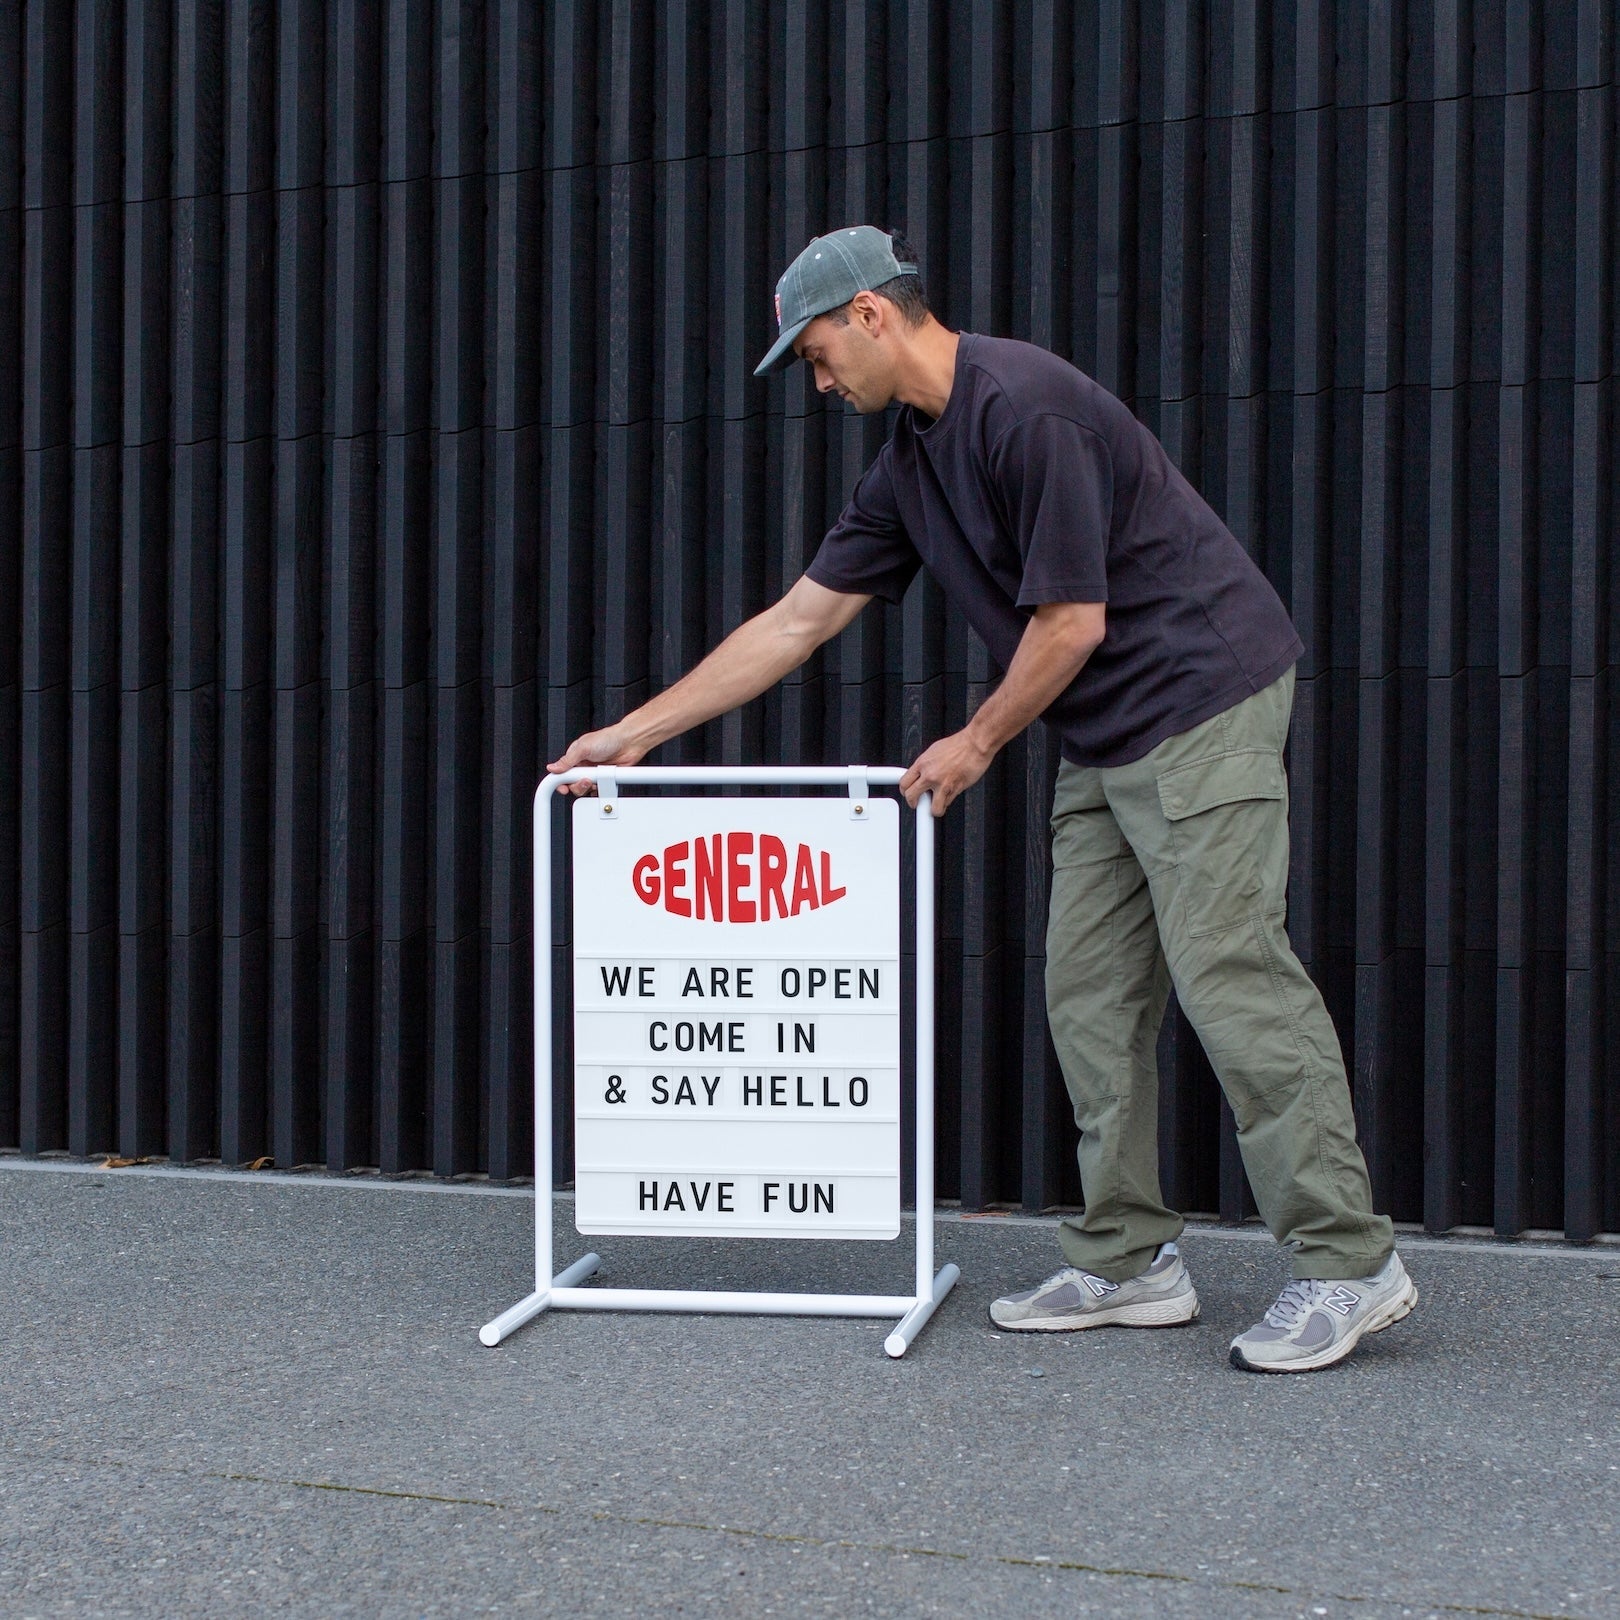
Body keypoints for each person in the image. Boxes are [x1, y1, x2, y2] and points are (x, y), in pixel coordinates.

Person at [549, 225, 1418, 1374]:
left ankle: (1349, 1265)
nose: (816, 381)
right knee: (1090, 998)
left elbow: (1073, 622)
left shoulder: (1024, 408)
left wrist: (974, 741)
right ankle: (1129, 1263)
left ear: (871, 313)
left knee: (1232, 977)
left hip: (1203, 697)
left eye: (815, 354)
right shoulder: (909, 463)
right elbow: (798, 621)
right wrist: (631, 738)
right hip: (1103, 732)